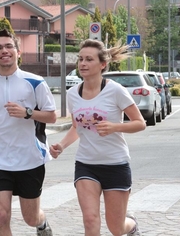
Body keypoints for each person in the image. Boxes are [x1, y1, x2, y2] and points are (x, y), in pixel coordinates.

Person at [0, 29, 57, 236]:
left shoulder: (35, 82)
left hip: (30, 158)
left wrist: (27, 113)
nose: (4, 51)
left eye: (8, 46)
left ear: (18, 51)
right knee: (2, 215)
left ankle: (42, 224)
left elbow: (52, 116)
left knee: (30, 217)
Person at [50, 39, 146, 236]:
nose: (83, 64)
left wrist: (114, 127)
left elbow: (140, 123)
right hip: (86, 164)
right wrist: (61, 145)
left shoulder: (115, 91)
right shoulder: (72, 94)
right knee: (90, 220)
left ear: (103, 64)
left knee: (116, 228)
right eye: (80, 59)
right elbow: (77, 127)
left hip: (116, 164)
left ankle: (132, 225)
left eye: (89, 60)